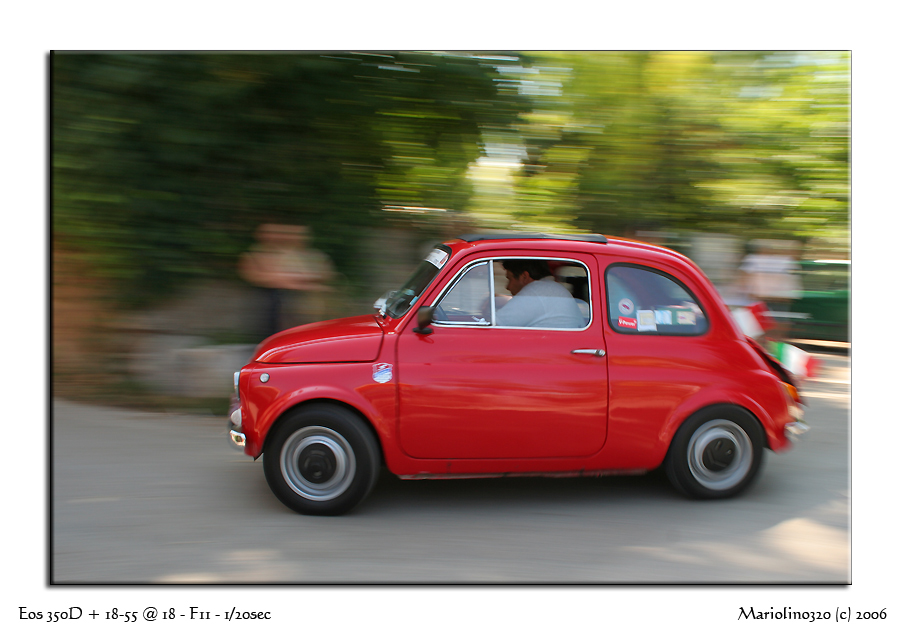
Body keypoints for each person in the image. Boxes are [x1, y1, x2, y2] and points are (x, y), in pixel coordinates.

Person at [240, 224, 334, 337]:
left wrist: (295, 281)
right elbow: (256, 275)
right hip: (272, 298)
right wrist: (297, 282)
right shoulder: (258, 253)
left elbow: (325, 273)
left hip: (302, 301)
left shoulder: (312, 255)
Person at [495, 260, 585, 328]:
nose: (508, 287)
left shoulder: (535, 291)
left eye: (510, 279)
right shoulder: (548, 289)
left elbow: (496, 324)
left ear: (524, 277)